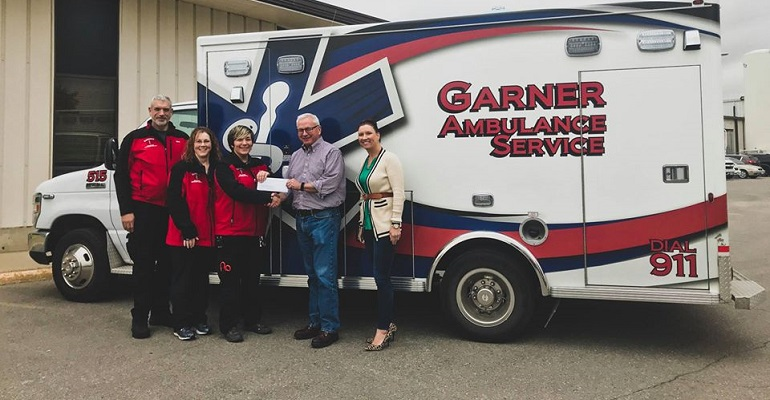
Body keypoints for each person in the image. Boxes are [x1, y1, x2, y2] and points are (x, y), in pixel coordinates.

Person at [115, 95, 189, 339]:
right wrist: (127, 210)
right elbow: (121, 176)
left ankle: (160, 311)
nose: (162, 113)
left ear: (171, 113)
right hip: (144, 209)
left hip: (172, 212)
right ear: (150, 111)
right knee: (144, 266)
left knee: (168, 265)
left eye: (166, 110)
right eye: (157, 109)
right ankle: (140, 317)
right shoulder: (134, 139)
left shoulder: (182, 139)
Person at [280, 113, 346, 349]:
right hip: (303, 220)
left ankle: (330, 328)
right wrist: (277, 195)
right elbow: (287, 188)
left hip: (324, 219)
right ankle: (314, 323)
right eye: (300, 130)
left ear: (319, 129)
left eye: (309, 129)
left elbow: (329, 185)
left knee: (325, 275)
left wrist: (301, 186)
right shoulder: (296, 156)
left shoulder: (331, 153)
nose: (304, 133)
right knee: (312, 276)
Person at [213, 125, 280, 343]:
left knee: (252, 281)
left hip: (255, 233)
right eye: (240, 140)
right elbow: (236, 191)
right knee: (230, 282)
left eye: (248, 139)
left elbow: (278, 185)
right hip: (230, 233)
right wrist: (266, 197)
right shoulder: (223, 166)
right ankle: (229, 325)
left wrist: (268, 177)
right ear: (232, 143)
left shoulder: (258, 165)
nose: (244, 143)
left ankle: (252, 321)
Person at [354, 119, 405, 351]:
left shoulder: (389, 159)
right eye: (361, 134)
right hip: (370, 225)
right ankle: (387, 324)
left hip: (385, 226)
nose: (364, 137)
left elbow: (398, 192)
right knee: (378, 277)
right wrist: (362, 224)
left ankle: (383, 328)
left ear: (378, 134)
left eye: (368, 133)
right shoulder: (367, 160)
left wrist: (396, 223)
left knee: (382, 278)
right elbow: (366, 195)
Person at [165, 127, 220, 341]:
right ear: (192, 144)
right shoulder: (182, 168)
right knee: (183, 280)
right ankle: (181, 323)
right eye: (199, 141)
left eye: (207, 141)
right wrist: (186, 229)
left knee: (201, 280)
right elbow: (174, 200)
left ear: (212, 144)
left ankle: (199, 319)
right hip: (184, 235)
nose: (203, 145)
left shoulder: (215, 169)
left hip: (207, 234)